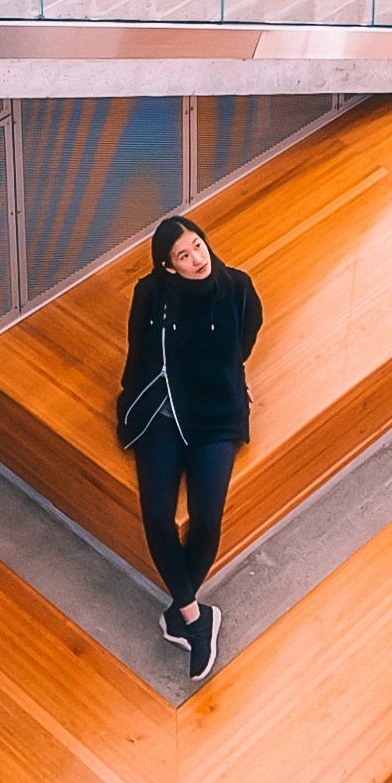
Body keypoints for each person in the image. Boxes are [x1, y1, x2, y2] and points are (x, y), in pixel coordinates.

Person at [114, 205, 261, 679]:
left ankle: (183, 613)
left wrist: (235, 378)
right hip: (164, 407)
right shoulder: (151, 294)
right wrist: (131, 400)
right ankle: (196, 617)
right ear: (167, 266)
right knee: (156, 513)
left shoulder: (237, 287)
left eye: (197, 244)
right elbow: (139, 351)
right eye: (183, 255)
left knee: (207, 516)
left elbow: (246, 337)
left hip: (216, 411)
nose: (197, 258)